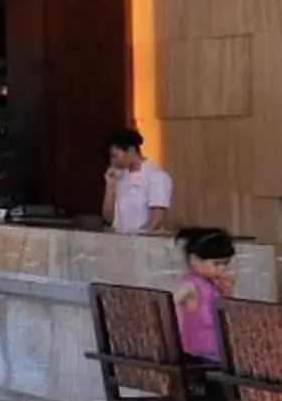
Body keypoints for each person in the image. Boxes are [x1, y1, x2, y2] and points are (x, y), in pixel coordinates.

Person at [170, 226, 238, 365]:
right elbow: (169, 304)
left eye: (226, 263)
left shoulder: (215, 283)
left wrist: (227, 289)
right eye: (216, 264)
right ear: (195, 260)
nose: (222, 268)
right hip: (199, 356)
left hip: (218, 353)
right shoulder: (191, 284)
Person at [102, 124, 173, 234]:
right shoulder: (120, 175)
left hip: (142, 243)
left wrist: (137, 237)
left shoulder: (156, 176)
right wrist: (110, 186)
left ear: (131, 151)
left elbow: (156, 220)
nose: (113, 161)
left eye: (115, 156)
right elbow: (108, 218)